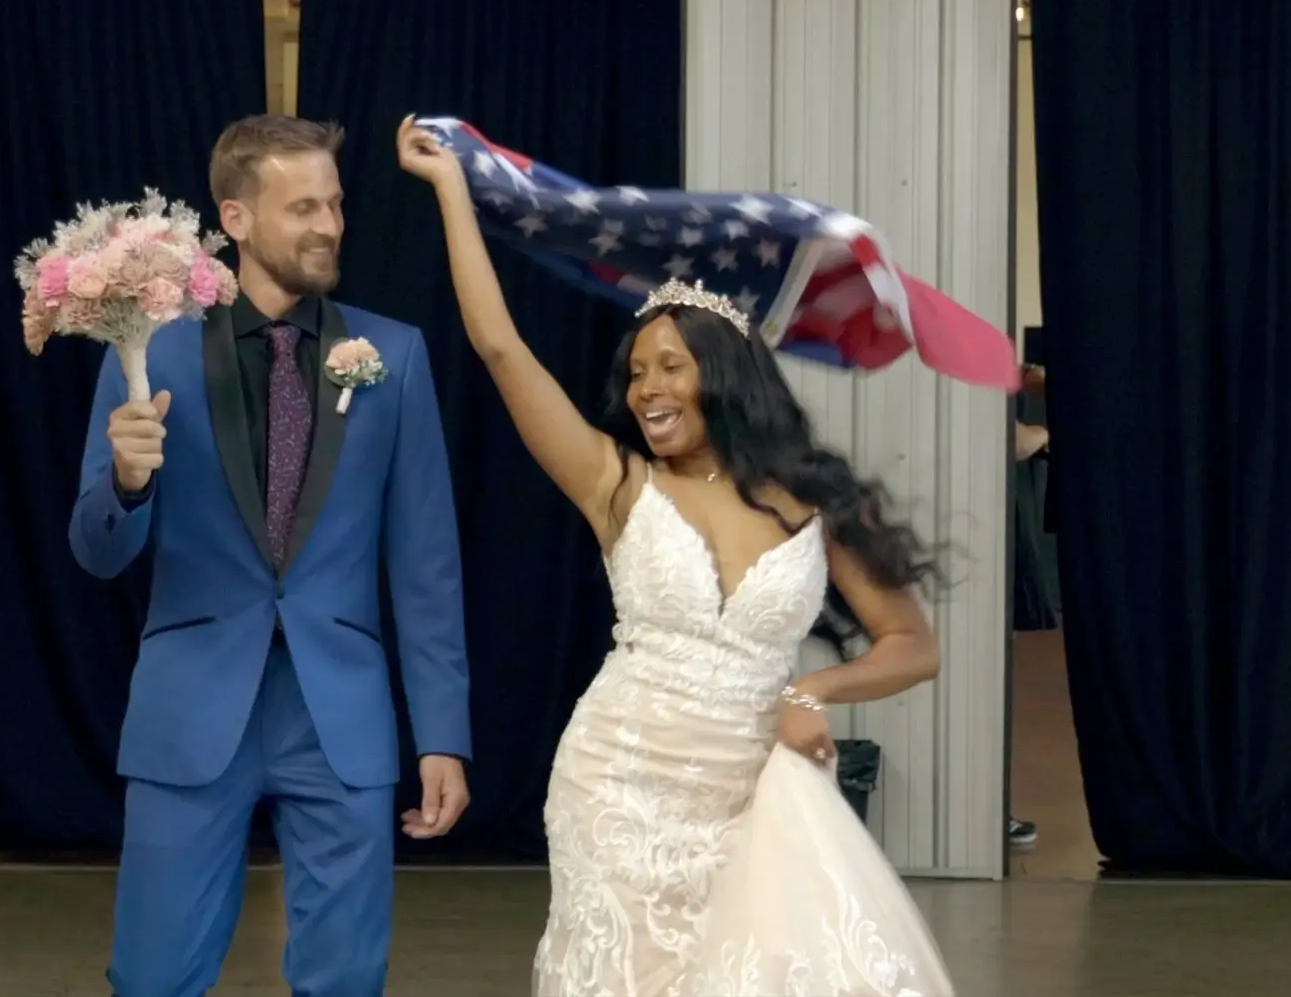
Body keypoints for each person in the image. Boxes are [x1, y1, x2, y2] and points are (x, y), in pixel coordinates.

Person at [397, 116, 953, 995]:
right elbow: (499, 346)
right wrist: (451, 192)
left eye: (669, 367)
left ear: (724, 378)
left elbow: (913, 646)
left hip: (753, 792)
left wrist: (809, 693)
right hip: (617, 785)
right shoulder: (616, 484)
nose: (646, 390)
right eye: (636, 373)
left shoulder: (816, 503)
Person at [71, 115, 473, 997]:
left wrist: (443, 734)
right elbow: (97, 552)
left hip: (340, 714)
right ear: (237, 218)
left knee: (347, 978)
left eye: (335, 204)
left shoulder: (394, 355)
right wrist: (128, 484)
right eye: (303, 208)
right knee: (151, 977)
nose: (329, 225)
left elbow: (426, 565)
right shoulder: (149, 348)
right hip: (191, 705)